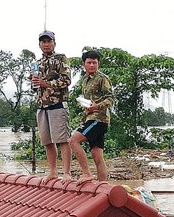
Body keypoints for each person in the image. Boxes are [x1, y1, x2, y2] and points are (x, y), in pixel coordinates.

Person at [31, 30, 72, 183]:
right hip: (42, 105)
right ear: (39, 44)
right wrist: (35, 83)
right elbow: (34, 86)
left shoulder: (61, 59)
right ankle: (53, 172)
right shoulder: (36, 63)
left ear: (54, 43)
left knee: (63, 139)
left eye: (49, 41)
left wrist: (46, 83)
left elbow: (66, 80)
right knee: (47, 141)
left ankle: (66, 172)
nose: (46, 44)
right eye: (43, 42)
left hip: (57, 103)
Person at [69, 50, 114, 184]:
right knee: (97, 156)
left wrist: (96, 106)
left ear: (98, 63)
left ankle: (87, 173)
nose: (92, 65)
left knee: (73, 141)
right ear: (84, 64)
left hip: (99, 119)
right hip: (90, 118)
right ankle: (103, 185)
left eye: (95, 62)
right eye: (89, 62)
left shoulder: (102, 78)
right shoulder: (84, 80)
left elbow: (111, 99)